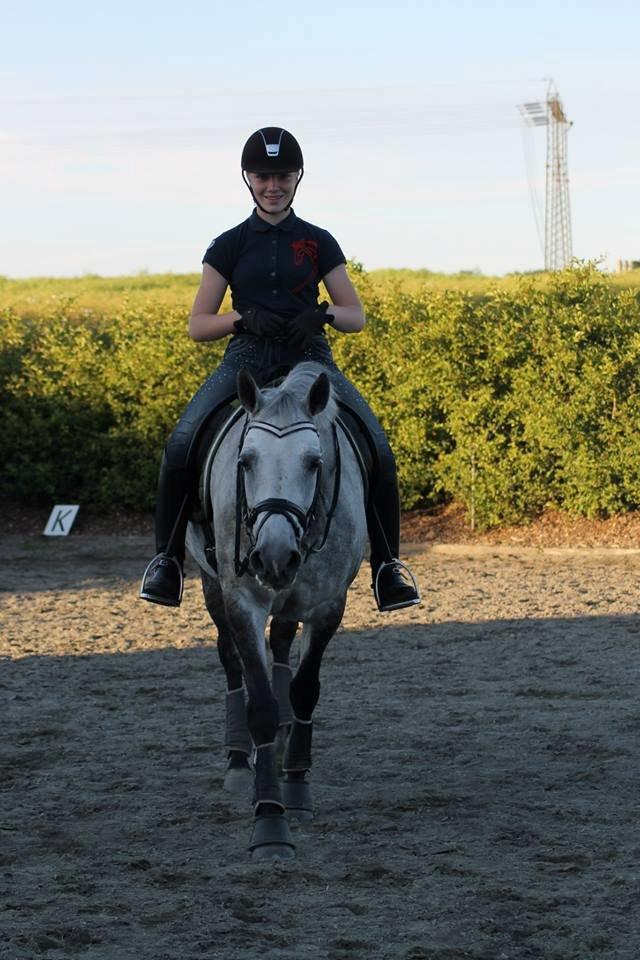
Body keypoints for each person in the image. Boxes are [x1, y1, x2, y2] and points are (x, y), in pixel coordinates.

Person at [140, 126, 419, 612]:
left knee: (378, 447)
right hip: (247, 359)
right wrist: (242, 318)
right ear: (248, 179)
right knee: (181, 443)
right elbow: (198, 324)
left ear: (298, 177)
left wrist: (324, 314)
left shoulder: (318, 241)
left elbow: (356, 316)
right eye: (264, 176)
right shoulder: (227, 245)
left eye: (283, 175)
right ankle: (166, 562)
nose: (274, 185)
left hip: (310, 360)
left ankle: (388, 568)